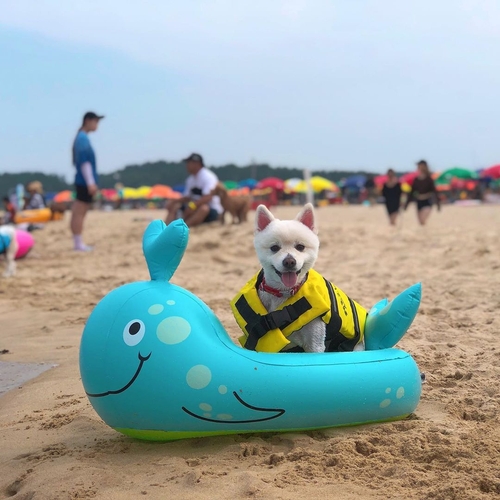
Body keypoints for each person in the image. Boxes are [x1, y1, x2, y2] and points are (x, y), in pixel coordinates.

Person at [70, 111, 104, 251]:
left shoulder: (81, 137)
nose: (97, 125)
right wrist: (90, 182)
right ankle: (78, 243)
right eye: (96, 121)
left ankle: (78, 242)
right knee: (79, 212)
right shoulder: (82, 138)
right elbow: (85, 163)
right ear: (88, 121)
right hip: (84, 181)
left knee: (79, 211)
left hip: (82, 180)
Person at [165, 153, 222, 227]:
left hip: (212, 210)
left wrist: (192, 206)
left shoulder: (208, 177)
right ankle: (166, 227)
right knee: (176, 206)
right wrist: (174, 201)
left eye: (189, 163)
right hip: (195, 207)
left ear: (196, 164)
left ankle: (185, 227)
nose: (186, 166)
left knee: (204, 208)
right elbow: (187, 197)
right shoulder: (191, 179)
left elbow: (208, 197)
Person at [404, 160, 441, 225]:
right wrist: (406, 205)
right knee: (421, 222)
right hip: (419, 201)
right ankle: (424, 232)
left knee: (423, 219)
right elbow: (411, 192)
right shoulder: (416, 179)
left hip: (427, 200)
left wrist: (438, 204)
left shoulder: (429, 179)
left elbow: (435, 192)